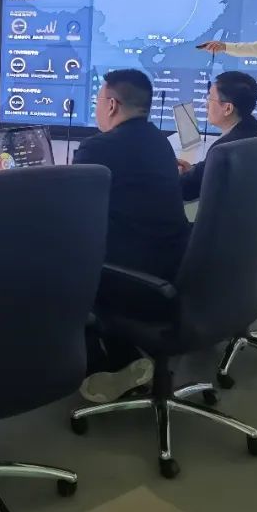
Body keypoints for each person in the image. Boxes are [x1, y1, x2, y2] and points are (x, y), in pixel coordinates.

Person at [72, 69, 191, 403]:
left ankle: (101, 367)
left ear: (111, 105)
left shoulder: (98, 149)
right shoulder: (159, 141)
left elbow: (70, 214)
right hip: (175, 272)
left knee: (52, 267)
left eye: (98, 100)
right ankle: (127, 356)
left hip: (135, 283)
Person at [179, 71, 257, 202]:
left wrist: (176, 174)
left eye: (210, 99)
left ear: (228, 109)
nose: (206, 105)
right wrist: (194, 170)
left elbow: (186, 189)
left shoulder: (224, 149)